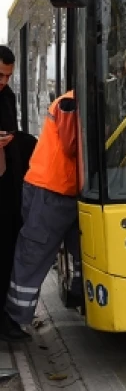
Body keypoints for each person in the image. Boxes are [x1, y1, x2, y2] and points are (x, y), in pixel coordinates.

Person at [1, 90, 81, 342]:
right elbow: (71, 146)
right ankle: (13, 318)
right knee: (33, 254)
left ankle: (81, 296)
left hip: (61, 189)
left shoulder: (73, 101)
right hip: (51, 190)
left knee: (80, 248)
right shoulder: (69, 103)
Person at [0, 46, 35, 311]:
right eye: (0, 75)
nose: (4, 82)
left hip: (9, 188)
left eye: (8, 76)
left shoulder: (8, 96)